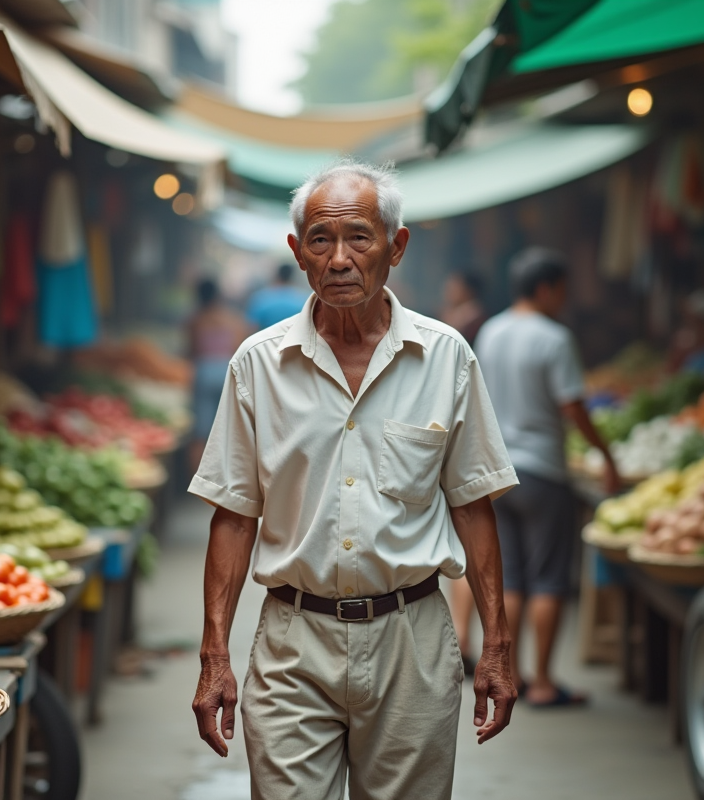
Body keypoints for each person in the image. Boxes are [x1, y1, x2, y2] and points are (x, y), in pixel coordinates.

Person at [189, 158, 519, 800]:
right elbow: (233, 514)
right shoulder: (256, 365)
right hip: (293, 641)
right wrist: (214, 655)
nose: (340, 258)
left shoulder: (446, 356)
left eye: (359, 238)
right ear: (298, 253)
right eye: (321, 240)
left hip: (413, 640)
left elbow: (474, 506)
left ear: (395, 247)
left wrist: (498, 644)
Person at [474, 246, 621, 708]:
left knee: (511, 578)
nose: (564, 298)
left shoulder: (490, 332)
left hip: (497, 472)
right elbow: (572, 405)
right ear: (545, 288)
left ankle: (509, 676)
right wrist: (605, 453)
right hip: (543, 471)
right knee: (549, 579)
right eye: (561, 289)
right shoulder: (554, 338)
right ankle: (541, 682)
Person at [438, 268, 489, 672]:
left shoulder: (464, 329)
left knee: (464, 540)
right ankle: (463, 635)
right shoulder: (459, 320)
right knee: (460, 543)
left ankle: (464, 636)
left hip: (461, 440)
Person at [186, 279, 250, 470]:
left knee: (201, 430)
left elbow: (192, 350)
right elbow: (241, 347)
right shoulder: (233, 318)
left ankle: (197, 482)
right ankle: (228, 478)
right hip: (227, 371)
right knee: (230, 428)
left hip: (203, 371)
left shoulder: (195, 320)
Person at [246, 262, 310, 330]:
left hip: (267, 338)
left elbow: (252, 326)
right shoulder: (303, 299)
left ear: (277, 275)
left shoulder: (261, 298)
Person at [440, 269, 488, 346]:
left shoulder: (476, 321)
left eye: (454, 286)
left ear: (469, 290)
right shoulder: (447, 314)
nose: (448, 290)